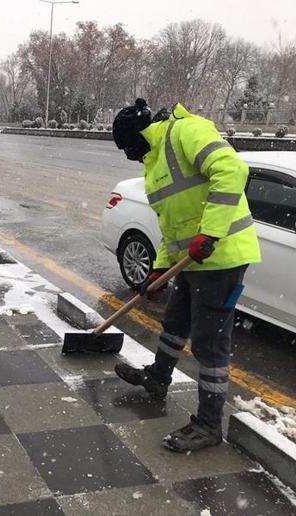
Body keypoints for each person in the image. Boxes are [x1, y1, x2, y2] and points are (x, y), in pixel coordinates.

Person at [111, 98, 261, 452]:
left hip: (222, 257)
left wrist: (209, 232)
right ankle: (158, 378)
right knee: (175, 323)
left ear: (137, 137)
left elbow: (232, 171)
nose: (129, 156)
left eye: (128, 148)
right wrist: (160, 267)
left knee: (210, 344)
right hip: (191, 260)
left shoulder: (186, 131)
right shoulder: (156, 162)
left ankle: (209, 425)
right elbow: (173, 227)